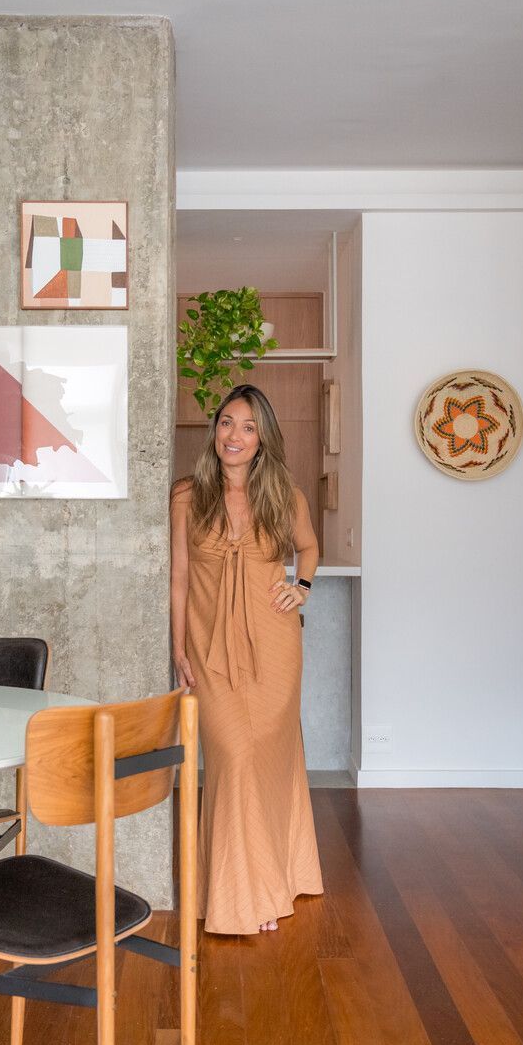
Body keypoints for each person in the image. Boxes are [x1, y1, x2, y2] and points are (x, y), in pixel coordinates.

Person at [170, 384, 323, 934]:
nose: (234, 436)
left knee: (268, 760)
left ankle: (272, 881)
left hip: (274, 647)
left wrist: (301, 586)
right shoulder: (186, 495)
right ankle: (241, 894)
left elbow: (309, 547)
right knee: (233, 758)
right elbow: (179, 576)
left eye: (248, 427)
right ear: (215, 429)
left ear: (263, 439)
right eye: (227, 423)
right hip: (210, 651)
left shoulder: (285, 495)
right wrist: (177, 647)